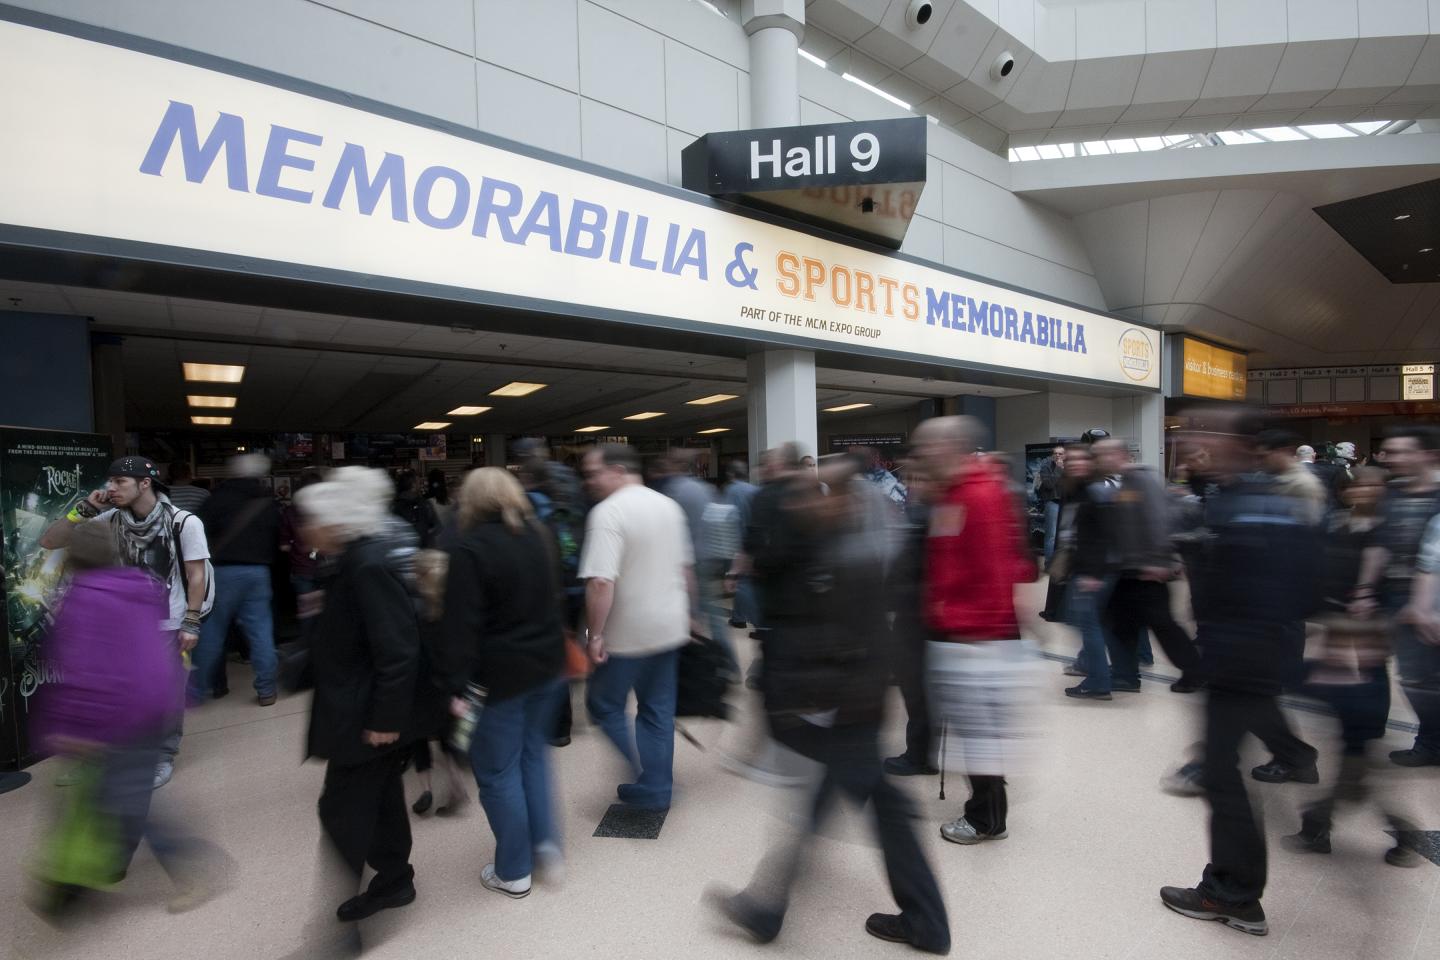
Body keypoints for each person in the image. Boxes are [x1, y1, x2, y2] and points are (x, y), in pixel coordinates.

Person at [708, 454, 949, 954]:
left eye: (820, 493)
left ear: (845, 499)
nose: (806, 502)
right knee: (834, 804)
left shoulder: (850, 558)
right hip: (841, 710)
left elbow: (857, 643)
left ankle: (924, 923)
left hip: (845, 712)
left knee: (878, 809)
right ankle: (769, 909)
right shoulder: (834, 547)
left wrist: (798, 702)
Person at [1159, 408, 1323, 938]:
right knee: (1220, 771)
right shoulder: (1229, 498)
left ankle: (1232, 893)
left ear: (1242, 444)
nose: (1193, 439)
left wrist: (1232, 652)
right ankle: (1234, 887)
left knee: (1220, 774)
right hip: (1235, 658)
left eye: (1206, 431)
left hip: (1242, 661)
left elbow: (1300, 589)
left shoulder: (1261, 506)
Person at [30, 520, 220, 916]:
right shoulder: (141, 586)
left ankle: (192, 869)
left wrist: (69, 728)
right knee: (120, 792)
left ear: (72, 559)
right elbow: (147, 647)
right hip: (155, 702)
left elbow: (83, 670)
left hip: (118, 713)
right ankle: (109, 867)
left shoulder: (81, 601)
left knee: (128, 799)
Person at [295, 467, 421, 931]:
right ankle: (394, 879)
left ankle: (341, 931)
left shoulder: (366, 565)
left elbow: (398, 648)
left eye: (311, 520)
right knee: (383, 798)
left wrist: (386, 718)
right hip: (357, 707)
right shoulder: (348, 561)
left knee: (340, 810)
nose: (305, 529)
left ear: (334, 522)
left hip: (364, 713)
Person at [39, 456, 209, 790]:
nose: (111, 488)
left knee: (166, 693)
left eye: (120, 481)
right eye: (111, 481)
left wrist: (191, 622)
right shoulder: (108, 519)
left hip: (167, 623)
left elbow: (196, 574)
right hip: (116, 623)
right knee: (102, 691)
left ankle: (161, 756)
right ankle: (96, 757)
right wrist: (83, 509)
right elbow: (49, 541)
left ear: (144, 484)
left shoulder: (183, 522)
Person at [1282, 467, 1420, 866]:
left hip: (1364, 652)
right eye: (1357, 483)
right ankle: (1323, 824)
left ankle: (1324, 825)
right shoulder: (1338, 526)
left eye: (1372, 484)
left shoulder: (1386, 535)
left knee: (1358, 754)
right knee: (1355, 756)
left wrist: (1363, 606)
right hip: (1337, 643)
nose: (1363, 490)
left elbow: (1381, 593)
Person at [442, 467, 567, 898]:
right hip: (547, 668)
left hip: (497, 679)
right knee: (534, 758)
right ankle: (546, 846)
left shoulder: (469, 549)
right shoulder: (539, 535)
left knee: (498, 772)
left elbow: (460, 628)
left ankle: (513, 870)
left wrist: (456, 686)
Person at [914, 416, 1032, 846]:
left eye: (926, 448)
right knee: (977, 734)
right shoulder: (955, 492)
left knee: (980, 735)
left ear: (951, 447)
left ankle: (986, 819)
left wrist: (970, 630)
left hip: (976, 637)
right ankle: (987, 810)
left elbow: (995, 571)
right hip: (961, 632)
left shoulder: (978, 496)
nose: (920, 456)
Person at [579, 444, 694, 812]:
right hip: (669, 625)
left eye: (594, 473)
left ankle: (647, 776)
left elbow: (601, 582)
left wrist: (595, 634)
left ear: (617, 470)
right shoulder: (669, 506)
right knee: (657, 710)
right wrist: (690, 615)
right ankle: (657, 787)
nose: (589, 481)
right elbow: (685, 570)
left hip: (627, 633)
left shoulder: (608, 512)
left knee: (603, 705)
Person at [1350, 424, 1440, 767]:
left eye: (1402, 451)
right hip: (1398, 597)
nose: (1391, 458)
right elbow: (1379, 546)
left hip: (1432, 599)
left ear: (1427, 454)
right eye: (1389, 451)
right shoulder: (1392, 495)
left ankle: (1431, 743)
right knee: (1415, 676)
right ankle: (1430, 742)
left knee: (1422, 678)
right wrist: (1365, 590)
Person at [1095, 439, 1202, 695]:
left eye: (1103, 455)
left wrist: (1160, 561)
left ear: (1119, 454)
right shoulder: (1125, 482)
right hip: (1129, 570)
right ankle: (1126, 674)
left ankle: (1195, 672)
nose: (1099, 460)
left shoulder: (1142, 479)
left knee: (1164, 626)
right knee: (1121, 625)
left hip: (1148, 571)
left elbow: (1158, 520)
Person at [193, 453, 281, 707]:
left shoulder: (217, 498)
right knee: (261, 633)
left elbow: (197, 532)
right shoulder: (267, 501)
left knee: (212, 632)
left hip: (222, 572)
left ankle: (197, 690)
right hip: (258, 572)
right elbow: (276, 534)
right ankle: (266, 689)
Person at [883, 454, 939, 776]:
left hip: (916, 615)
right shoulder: (937, 511)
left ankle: (919, 754)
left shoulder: (921, 515)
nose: (908, 484)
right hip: (928, 612)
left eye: (913, 478)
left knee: (917, 688)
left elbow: (905, 567)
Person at [407, 549, 469, 818]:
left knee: (417, 737)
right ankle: (457, 782)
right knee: (446, 739)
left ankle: (426, 789)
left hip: (422, 687)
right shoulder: (457, 607)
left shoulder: (415, 611)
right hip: (453, 686)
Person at [1061, 444, 1118, 700]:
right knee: (1085, 622)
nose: (1075, 463)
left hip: (1094, 571)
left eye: (1081, 459)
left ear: (1092, 463)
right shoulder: (1080, 490)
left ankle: (1098, 681)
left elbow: (1106, 535)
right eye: (1070, 460)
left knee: (1088, 624)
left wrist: (1093, 574)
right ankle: (1094, 670)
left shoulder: (1095, 491)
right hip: (1088, 568)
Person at [1257, 431, 1326, 523]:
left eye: (1263, 457)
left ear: (1283, 451)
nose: (1259, 462)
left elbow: (1309, 523)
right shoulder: (1261, 476)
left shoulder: (1304, 484)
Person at [722, 461, 759, 629]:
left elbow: (727, 519)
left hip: (737, 543)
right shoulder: (755, 490)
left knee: (741, 582)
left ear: (731, 474)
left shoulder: (731, 490)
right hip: (754, 541)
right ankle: (738, 617)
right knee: (747, 580)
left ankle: (754, 622)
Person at [392, 466, 441, 549]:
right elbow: (436, 527)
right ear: (413, 485)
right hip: (423, 550)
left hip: (401, 550)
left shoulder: (394, 506)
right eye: (419, 483)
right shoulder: (425, 504)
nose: (421, 485)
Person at [1034, 445, 1065, 566]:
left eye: (1060, 453)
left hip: (1066, 503)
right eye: (1055, 453)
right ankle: (1049, 563)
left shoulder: (1069, 467)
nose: (1058, 455)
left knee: (1064, 535)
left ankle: (1062, 563)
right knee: (1051, 535)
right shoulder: (1045, 467)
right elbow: (1049, 485)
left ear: (1065, 455)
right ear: (1052, 455)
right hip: (1053, 503)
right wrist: (1058, 469)